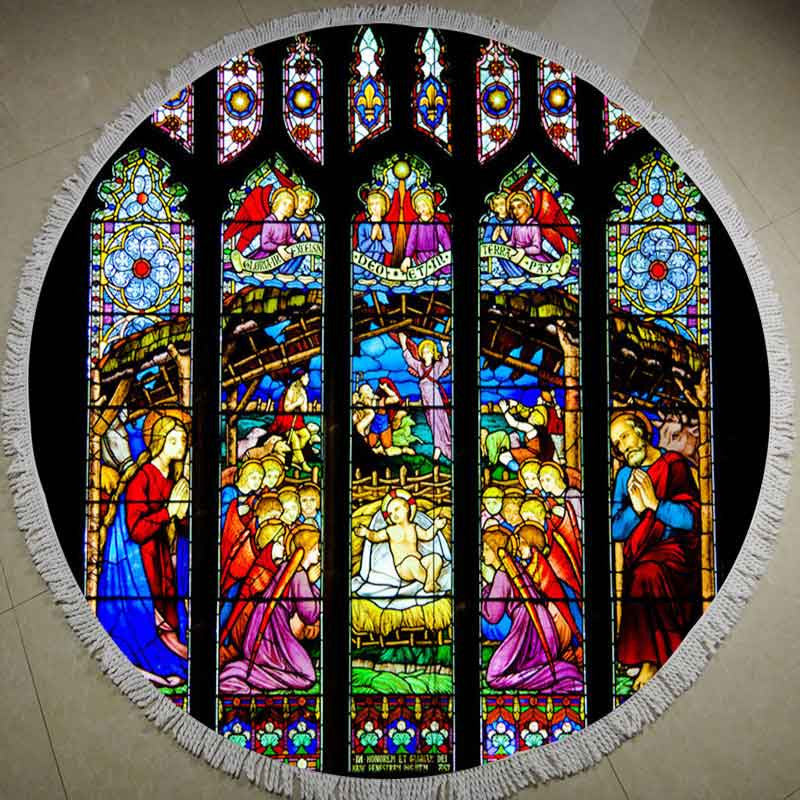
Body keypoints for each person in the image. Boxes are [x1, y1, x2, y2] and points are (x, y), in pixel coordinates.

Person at [610, 410, 701, 691]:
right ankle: (652, 659)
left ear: (641, 432)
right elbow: (615, 529)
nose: (622, 447)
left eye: (624, 437)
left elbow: (691, 518)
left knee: (647, 575)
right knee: (644, 573)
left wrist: (655, 504)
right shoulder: (624, 477)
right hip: (642, 556)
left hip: (677, 555)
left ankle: (655, 661)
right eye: (617, 444)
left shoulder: (674, 464)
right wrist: (637, 511)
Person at [97, 412, 190, 686]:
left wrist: (181, 513)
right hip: (137, 559)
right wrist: (168, 512)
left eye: (183, 440)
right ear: (160, 442)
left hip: (160, 555)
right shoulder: (143, 478)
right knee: (145, 618)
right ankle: (148, 662)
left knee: (168, 608)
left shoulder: (171, 477)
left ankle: (167, 653)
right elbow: (136, 529)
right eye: (175, 440)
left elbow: (177, 520)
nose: (182, 445)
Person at [219, 526, 322, 693]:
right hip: (273, 633)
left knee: (297, 670)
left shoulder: (288, 567)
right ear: (307, 549)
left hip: (263, 627)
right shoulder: (299, 574)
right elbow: (309, 614)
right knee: (307, 677)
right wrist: (311, 585)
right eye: (316, 548)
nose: (318, 553)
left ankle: (246, 673)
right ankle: (241, 674)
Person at [481, 528, 582, 692]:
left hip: (528, 630)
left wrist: (483, 595)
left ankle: (558, 673)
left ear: (495, 550)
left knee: (493, 676)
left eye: (486, 549)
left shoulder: (502, 575)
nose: (483, 554)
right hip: (543, 628)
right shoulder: (516, 567)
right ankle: (554, 672)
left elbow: (493, 615)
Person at [355, 490, 447, 594]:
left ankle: (429, 582)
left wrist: (436, 526)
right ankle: (428, 582)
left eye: (397, 509)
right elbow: (375, 536)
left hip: (420, 563)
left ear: (407, 508)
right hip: (403, 568)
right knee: (411, 561)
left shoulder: (414, 527)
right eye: (390, 513)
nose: (394, 514)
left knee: (436, 558)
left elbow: (427, 535)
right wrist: (366, 533)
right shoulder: (390, 530)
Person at [398, 332, 452, 462]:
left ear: (433, 353)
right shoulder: (419, 366)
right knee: (432, 423)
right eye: (424, 352)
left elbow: (445, 363)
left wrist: (444, 347)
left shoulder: (436, 367)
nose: (426, 354)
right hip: (426, 401)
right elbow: (410, 360)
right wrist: (403, 344)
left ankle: (438, 449)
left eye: (429, 352)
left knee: (438, 422)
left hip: (435, 399)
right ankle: (439, 446)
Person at [400, 189, 451, 272]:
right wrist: (407, 257)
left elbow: (445, 240)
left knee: (445, 271)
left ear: (429, 206)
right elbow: (411, 242)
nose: (422, 209)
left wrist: (449, 253)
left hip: (435, 257)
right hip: (420, 257)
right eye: (419, 207)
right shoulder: (416, 224)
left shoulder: (437, 223)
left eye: (424, 205)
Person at [356, 189, 393, 263]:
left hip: (379, 265)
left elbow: (390, 249)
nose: (374, 207)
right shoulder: (363, 226)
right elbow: (362, 248)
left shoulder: (385, 226)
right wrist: (372, 238)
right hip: (363, 263)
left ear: (383, 206)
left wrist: (381, 238)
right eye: (371, 204)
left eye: (377, 204)